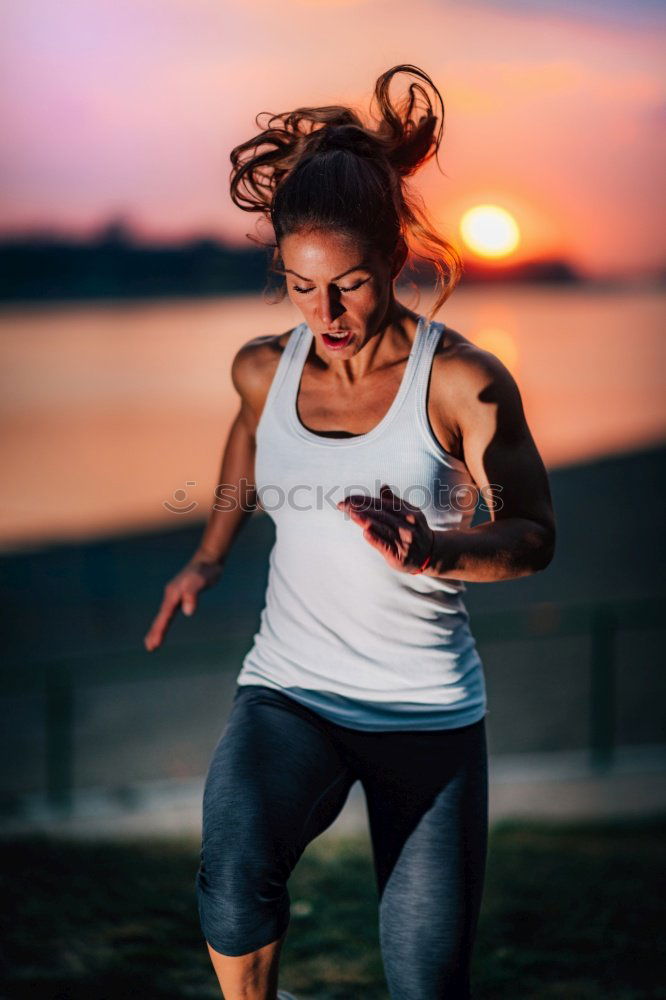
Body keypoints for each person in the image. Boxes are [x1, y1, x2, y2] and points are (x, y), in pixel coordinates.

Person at [144, 64, 556, 1000]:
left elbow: (534, 535)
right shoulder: (262, 368)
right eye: (299, 287)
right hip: (292, 690)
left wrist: (436, 551)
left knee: (425, 981)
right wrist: (206, 557)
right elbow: (251, 439)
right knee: (232, 879)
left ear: (396, 254)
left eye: (352, 287)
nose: (324, 316)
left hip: (427, 715)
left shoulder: (464, 383)